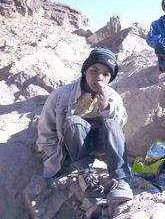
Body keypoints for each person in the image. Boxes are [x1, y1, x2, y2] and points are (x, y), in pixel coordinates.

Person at [36, 47, 133, 204]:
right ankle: (86, 175)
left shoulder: (113, 97)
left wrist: (106, 107)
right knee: (74, 122)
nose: (99, 77)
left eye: (106, 74)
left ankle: (121, 180)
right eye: (94, 70)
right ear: (85, 71)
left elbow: (119, 126)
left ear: (110, 78)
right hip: (72, 145)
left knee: (111, 123)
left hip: (99, 146)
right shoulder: (61, 94)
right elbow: (46, 129)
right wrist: (52, 156)